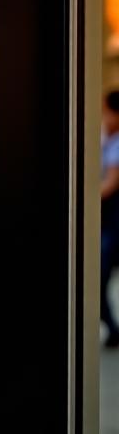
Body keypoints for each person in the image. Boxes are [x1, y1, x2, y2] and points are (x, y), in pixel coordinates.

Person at [102, 90, 119, 348]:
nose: (103, 117)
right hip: (110, 223)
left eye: (105, 111)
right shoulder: (110, 140)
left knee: (96, 276)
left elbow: (110, 184)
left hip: (114, 225)